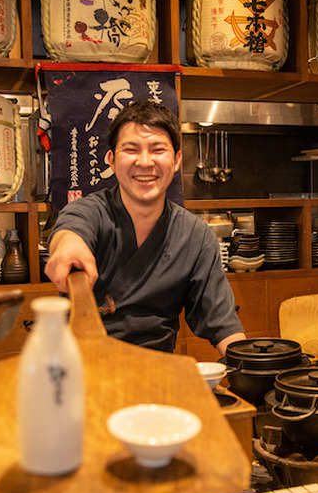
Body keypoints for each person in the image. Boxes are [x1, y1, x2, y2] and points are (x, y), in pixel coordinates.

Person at [44, 99, 246, 356]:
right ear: (112, 160)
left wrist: (248, 367)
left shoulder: (195, 236)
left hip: (157, 373)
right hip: (81, 368)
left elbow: (223, 324)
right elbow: (71, 230)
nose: (145, 162)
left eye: (157, 149)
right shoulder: (92, 211)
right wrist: (67, 247)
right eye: (131, 149)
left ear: (176, 161)